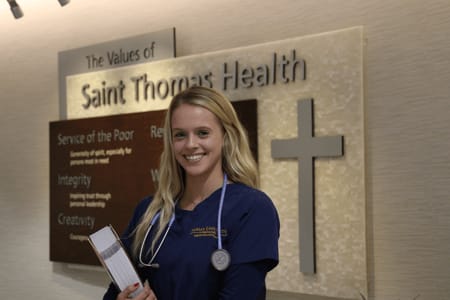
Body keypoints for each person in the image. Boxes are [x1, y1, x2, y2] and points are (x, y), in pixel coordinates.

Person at [103, 86, 279, 300]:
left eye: (203, 133)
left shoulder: (252, 209)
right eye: (180, 135)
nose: (190, 144)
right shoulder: (150, 212)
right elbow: (116, 293)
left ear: (226, 136)